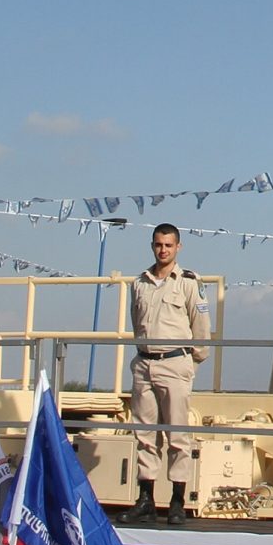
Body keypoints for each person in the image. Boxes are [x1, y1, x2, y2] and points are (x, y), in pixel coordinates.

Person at [121, 223, 208, 526]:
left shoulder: (188, 282)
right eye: (159, 244)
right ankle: (146, 498)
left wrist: (190, 363)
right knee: (145, 434)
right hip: (145, 363)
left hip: (175, 363)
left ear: (178, 247)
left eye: (168, 245)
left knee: (177, 435)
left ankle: (177, 500)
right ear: (152, 246)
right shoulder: (140, 283)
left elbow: (201, 328)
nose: (163, 250)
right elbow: (137, 322)